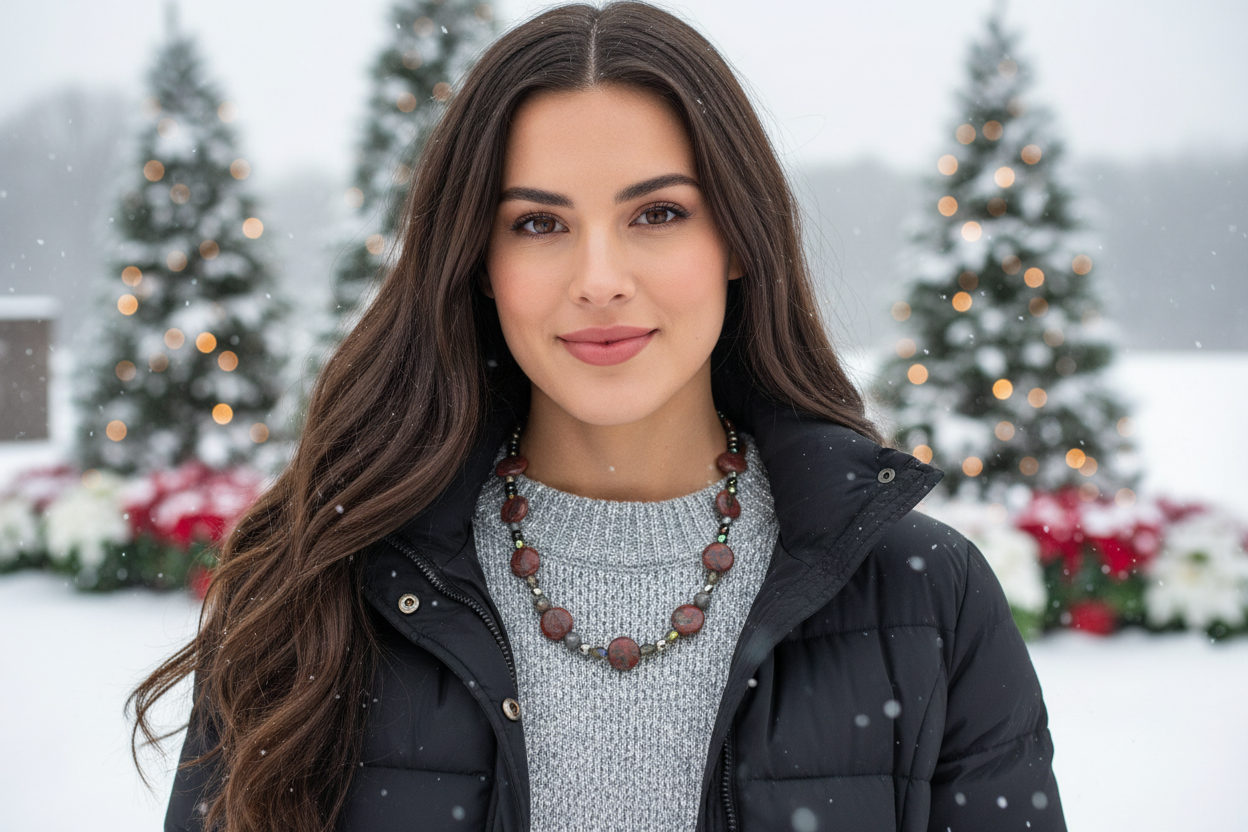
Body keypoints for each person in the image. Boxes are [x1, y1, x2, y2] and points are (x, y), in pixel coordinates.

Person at [133, 3, 1066, 830]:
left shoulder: (926, 596)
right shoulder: (321, 587)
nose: (599, 281)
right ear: (477, 261)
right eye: (539, 223)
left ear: (738, 239)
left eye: (657, 214)